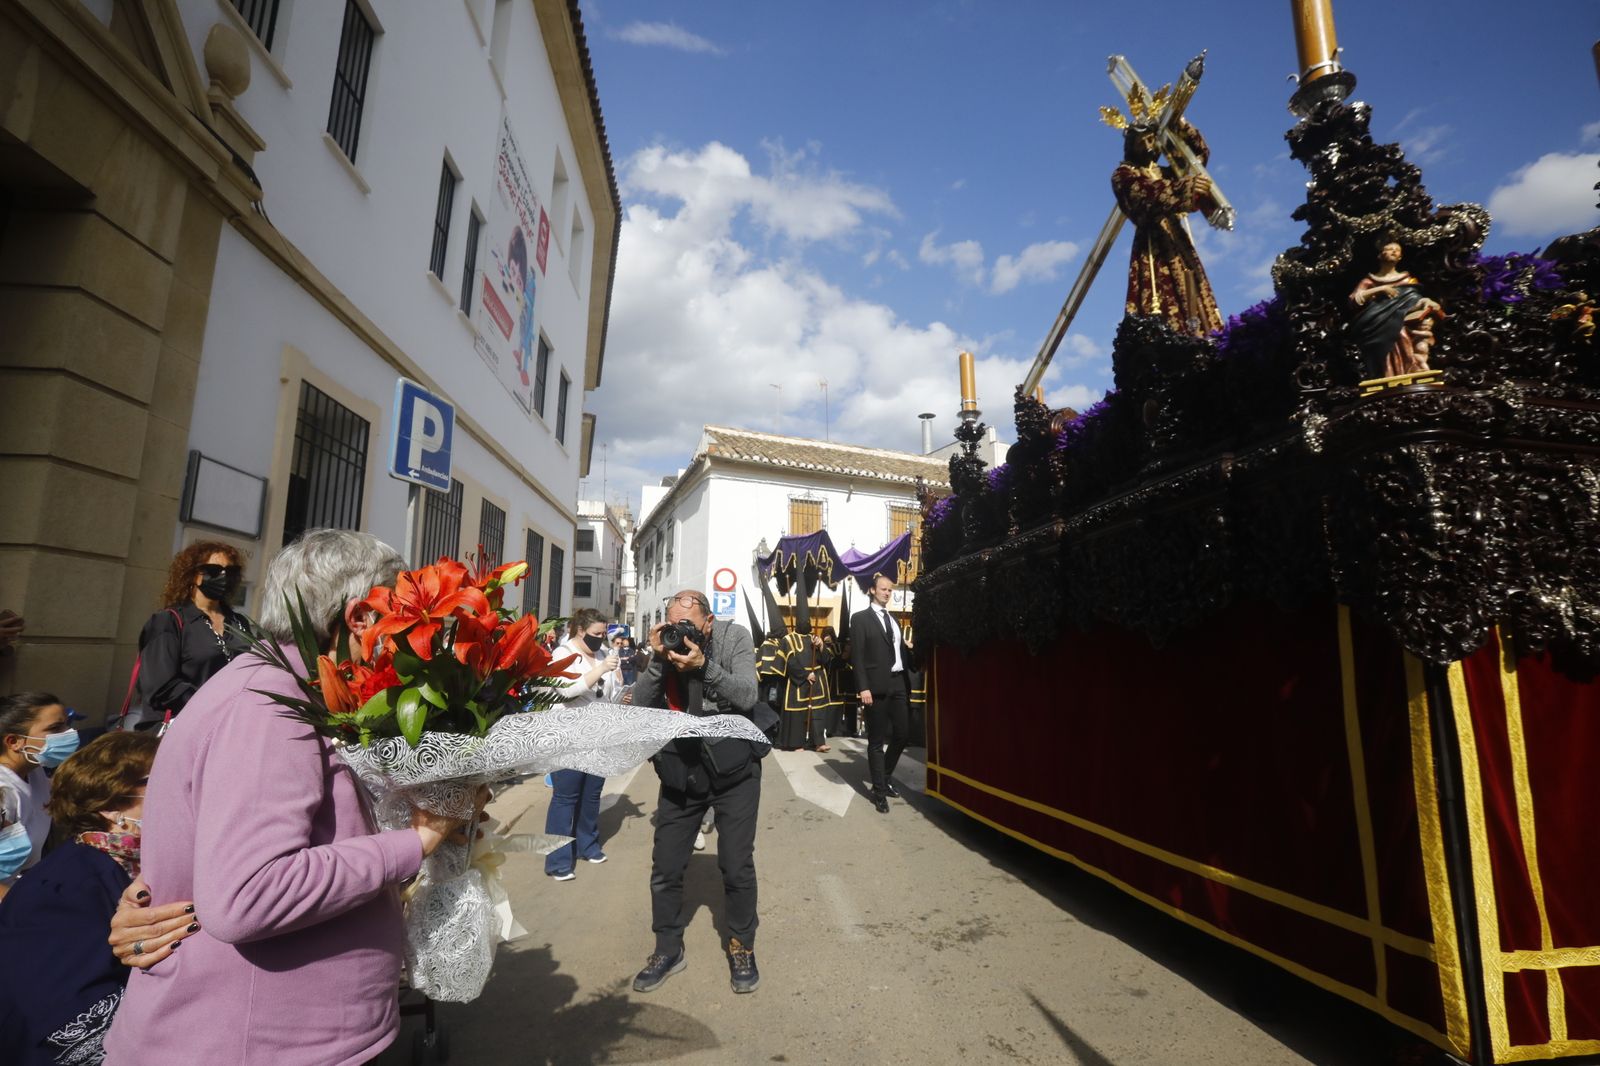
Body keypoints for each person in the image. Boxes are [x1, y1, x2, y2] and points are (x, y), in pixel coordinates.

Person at [102, 529, 473, 1066]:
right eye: (404, 616)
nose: (413, 636)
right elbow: (248, 895)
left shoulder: (290, 687)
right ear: (360, 617)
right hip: (251, 1044)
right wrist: (415, 842)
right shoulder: (269, 705)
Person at [631, 590, 763, 995]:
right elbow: (641, 705)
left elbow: (748, 694)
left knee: (736, 865)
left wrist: (705, 667)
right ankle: (668, 948)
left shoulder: (734, 637)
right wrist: (658, 659)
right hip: (681, 770)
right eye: (673, 624)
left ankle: (741, 943)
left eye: (688, 623)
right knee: (666, 866)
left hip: (734, 770)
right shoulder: (664, 648)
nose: (681, 631)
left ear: (708, 622)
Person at [0, 731, 159, 1064]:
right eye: (160, 779)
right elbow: (61, 1009)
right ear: (112, 805)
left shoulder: (131, 866)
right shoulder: (68, 885)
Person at [1109, 117, 1224, 337]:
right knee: (1162, 299)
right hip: (1152, 246)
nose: (1147, 146)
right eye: (1141, 142)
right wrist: (1184, 188)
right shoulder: (1123, 175)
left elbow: (1196, 158)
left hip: (1178, 240)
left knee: (1195, 294)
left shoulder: (1166, 173)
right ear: (1131, 146)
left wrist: (1179, 124)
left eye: (1151, 139)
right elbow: (1144, 195)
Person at [127, 542, 253, 730]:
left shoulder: (239, 623)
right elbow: (160, 688)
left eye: (230, 571)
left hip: (230, 727)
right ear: (193, 574)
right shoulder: (167, 622)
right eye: (214, 570)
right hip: (182, 729)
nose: (223, 576)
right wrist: (216, 703)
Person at [545, 608, 623, 882]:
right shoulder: (562, 654)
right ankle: (558, 861)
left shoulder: (603, 654)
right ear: (580, 630)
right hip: (569, 737)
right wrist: (601, 669)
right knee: (565, 797)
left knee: (591, 795)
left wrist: (620, 690)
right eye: (596, 633)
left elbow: (609, 693)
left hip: (598, 736)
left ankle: (587, 846)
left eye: (603, 633)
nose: (601, 638)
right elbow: (567, 691)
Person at [0, 692, 77, 897]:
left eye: (67, 724)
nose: (69, 733)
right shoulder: (3, 791)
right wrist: (27, 908)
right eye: (55, 728)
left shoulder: (35, 771)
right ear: (14, 741)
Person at [849, 574, 913, 815]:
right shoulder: (860, 619)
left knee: (903, 734)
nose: (887, 593)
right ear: (872, 590)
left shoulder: (894, 619)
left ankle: (884, 777)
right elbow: (858, 656)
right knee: (876, 741)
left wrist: (909, 650)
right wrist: (863, 687)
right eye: (884, 589)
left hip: (898, 683)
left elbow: (896, 651)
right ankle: (879, 791)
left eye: (890, 590)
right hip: (874, 687)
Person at [1350, 234, 1446, 379]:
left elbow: (1412, 301)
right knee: (1388, 335)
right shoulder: (1369, 281)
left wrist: (1425, 301)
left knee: (1401, 332)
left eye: (1397, 250)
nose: (1394, 251)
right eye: (1390, 249)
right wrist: (1380, 289)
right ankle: (1385, 374)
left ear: (1400, 257)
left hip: (1401, 320)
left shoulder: (1407, 280)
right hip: (1374, 323)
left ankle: (1409, 371)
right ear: (1380, 255)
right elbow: (1354, 300)